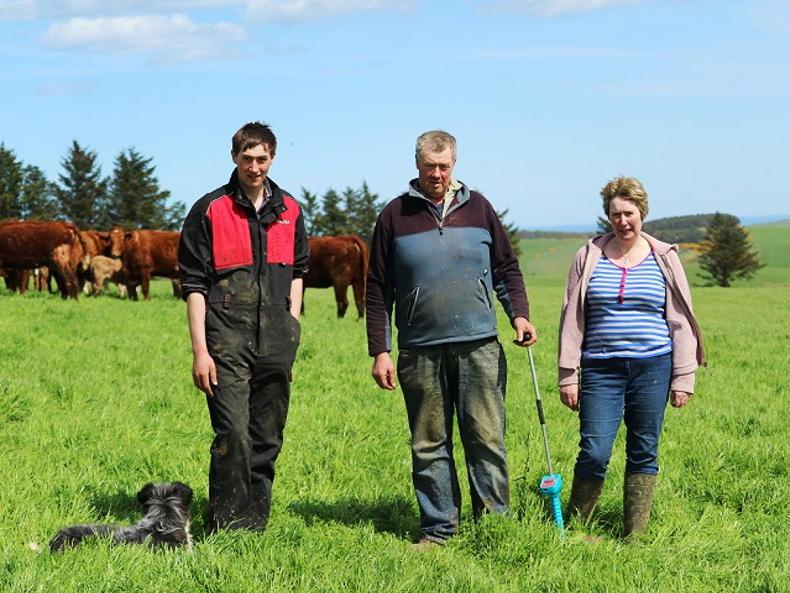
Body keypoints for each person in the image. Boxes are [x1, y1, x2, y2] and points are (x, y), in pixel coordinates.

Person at [366, 130, 537, 548]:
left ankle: (494, 527)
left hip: (479, 344)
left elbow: (506, 269)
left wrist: (519, 314)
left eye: (443, 166)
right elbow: (377, 289)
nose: (437, 174)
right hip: (419, 349)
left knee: (487, 437)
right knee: (428, 442)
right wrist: (380, 350)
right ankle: (439, 528)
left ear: (454, 165)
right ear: (417, 165)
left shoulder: (480, 208)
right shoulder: (393, 216)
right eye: (429, 166)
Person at [558, 176, 705, 538]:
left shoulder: (664, 258)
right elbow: (571, 318)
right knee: (594, 450)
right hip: (600, 368)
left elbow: (680, 320)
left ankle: (634, 536)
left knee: (644, 450)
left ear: (642, 213)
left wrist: (683, 377)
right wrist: (568, 374)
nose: (622, 221)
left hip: (653, 366)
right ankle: (577, 530)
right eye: (615, 215)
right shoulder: (588, 256)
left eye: (629, 213)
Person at [178, 122, 308, 531]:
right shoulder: (210, 209)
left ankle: (254, 523)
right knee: (233, 432)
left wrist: (292, 323)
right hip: (226, 339)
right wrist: (200, 351)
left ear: (273, 158)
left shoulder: (290, 210)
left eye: (262, 159)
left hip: (277, 340)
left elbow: (299, 271)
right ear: (234, 157)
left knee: (267, 435)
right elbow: (194, 285)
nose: (255, 167)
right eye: (247, 158)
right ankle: (227, 523)